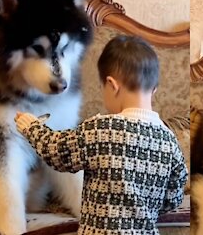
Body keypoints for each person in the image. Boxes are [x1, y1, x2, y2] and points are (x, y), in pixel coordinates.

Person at [15, 35, 188, 234]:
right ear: (154, 89)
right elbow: (174, 197)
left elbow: (57, 151)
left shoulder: (99, 129)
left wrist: (31, 127)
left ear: (112, 85)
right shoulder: (169, 141)